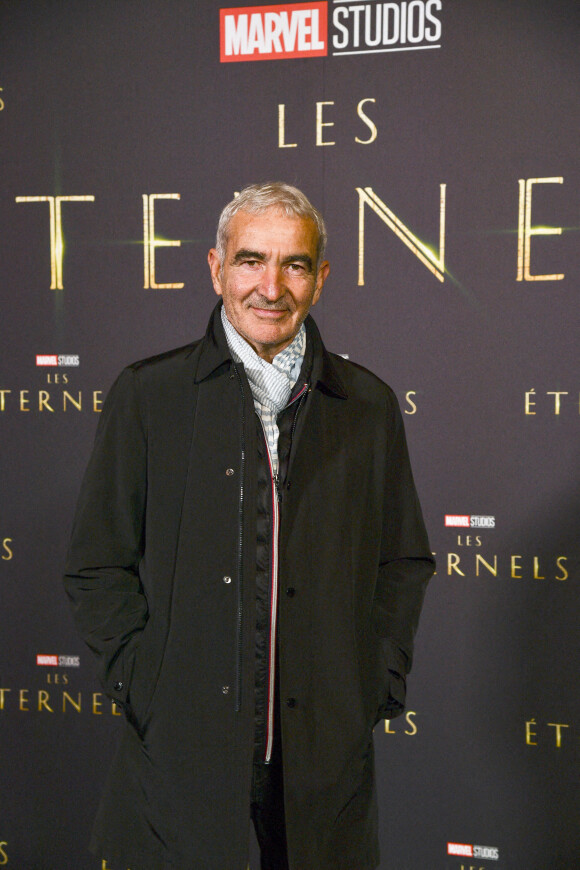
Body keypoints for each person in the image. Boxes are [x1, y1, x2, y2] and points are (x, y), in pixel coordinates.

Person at [64, 181, 435, 870]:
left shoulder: (367, 405)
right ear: (215, 268)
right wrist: (143, 682)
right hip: (181, 766)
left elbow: (403, 560)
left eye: (294, 264)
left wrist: (373, 682)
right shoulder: (149, 395)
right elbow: (97, 564)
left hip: (325, 774)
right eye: (250, 260)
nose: (271, 286)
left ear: (320, 279)